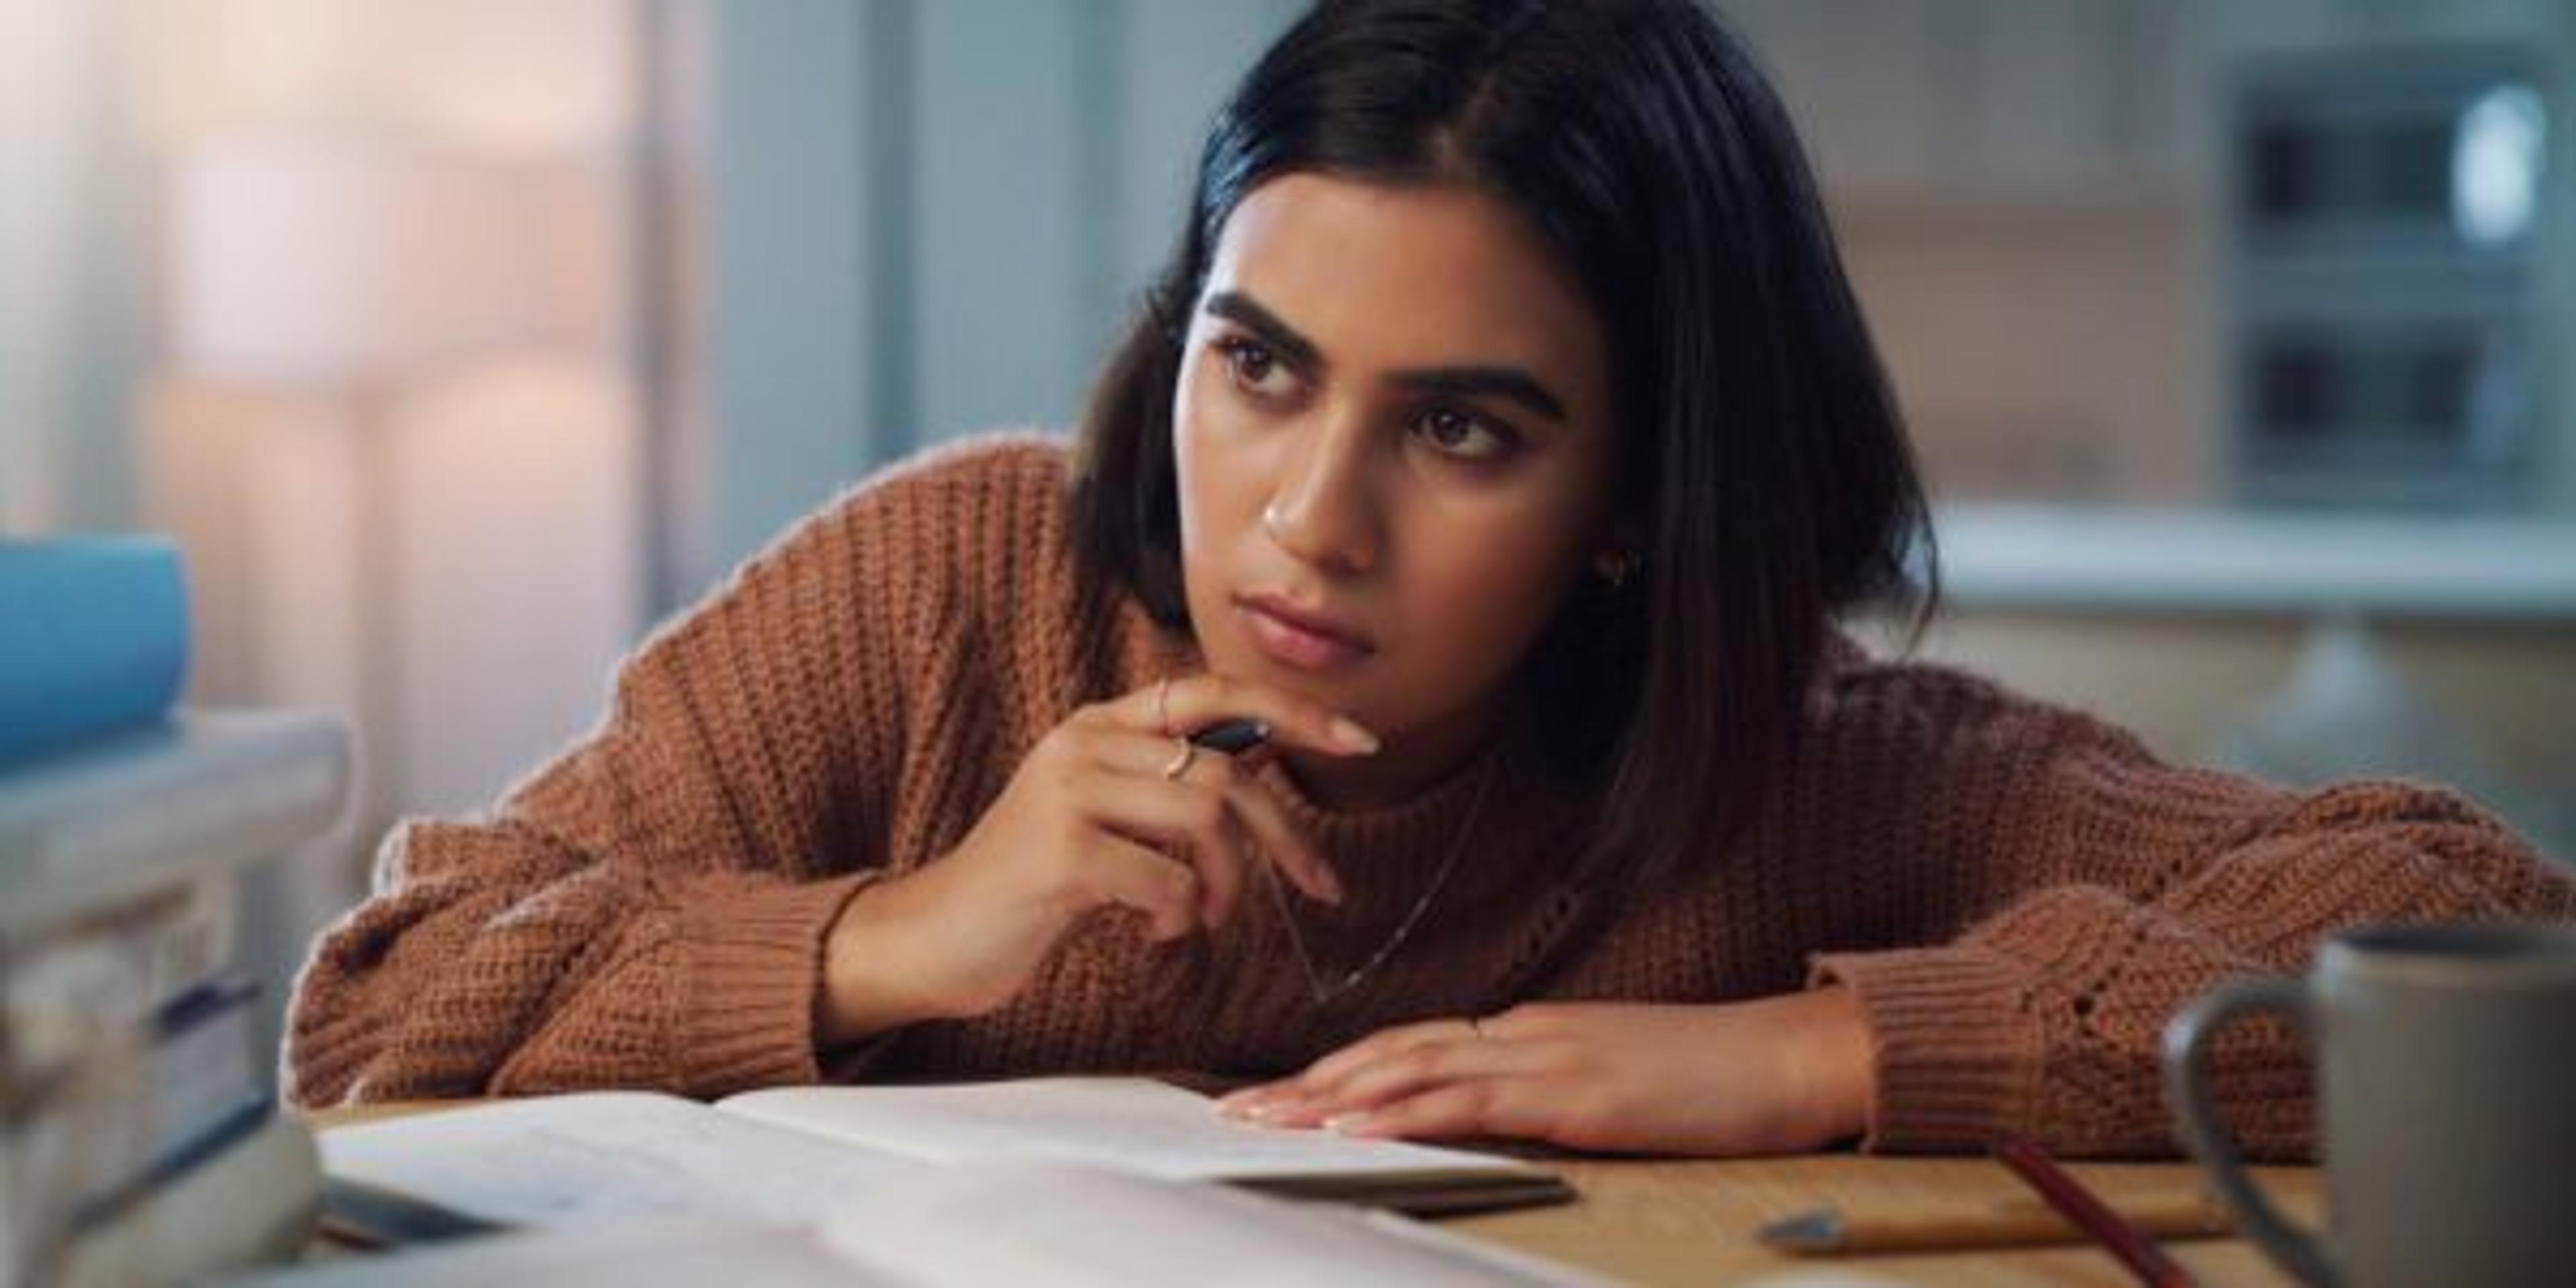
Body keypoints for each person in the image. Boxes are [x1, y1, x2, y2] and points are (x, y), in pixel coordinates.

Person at [285, 0, 2572, 1159]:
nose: (1308, 516)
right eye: (1259, 368)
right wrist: (909, 928)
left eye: (1462, 427)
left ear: (1646, 499)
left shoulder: (1802, 766)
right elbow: (375, 1017)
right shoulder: (941, 593)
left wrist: (1814, 1052)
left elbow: (2487, 929)